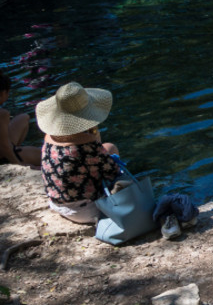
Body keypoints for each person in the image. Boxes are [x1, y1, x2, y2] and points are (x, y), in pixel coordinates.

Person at [37, 81, 122, 225]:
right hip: (85, 212)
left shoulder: (49, 136)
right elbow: (113, 173)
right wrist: (95, 137)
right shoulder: (87, 144)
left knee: (107, 148)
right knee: (111, 149)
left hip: (57, 204)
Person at [0, 73, 40, 167]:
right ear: (2, 93)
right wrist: (20, 165)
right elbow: (4, 146)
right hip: (3, 154)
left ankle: (16, 151)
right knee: (43, 157)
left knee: (24, 118)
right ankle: (13, 158)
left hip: (5, 147)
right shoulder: (2, 114)